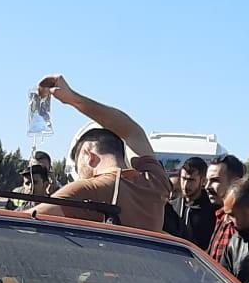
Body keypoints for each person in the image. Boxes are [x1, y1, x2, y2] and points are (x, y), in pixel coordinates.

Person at [28, 75, 169, 232]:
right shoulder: (155, 182)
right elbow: (131, 130)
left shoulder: (89, 190)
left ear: (89, 156)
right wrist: (74, 99)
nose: (80, 177)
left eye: (78, 167)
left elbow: (25, 220)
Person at [164, 156, 216, 248]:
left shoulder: (212, 210)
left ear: (203, 181)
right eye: (183, 178)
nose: (186, 185)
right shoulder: (173, 206)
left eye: (191, 180)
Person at [204, 154, 246, 260]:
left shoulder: (242, 221)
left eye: (215, 180)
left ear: (235, 182)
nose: (207, 186)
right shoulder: (221, 217)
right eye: (207, 180)